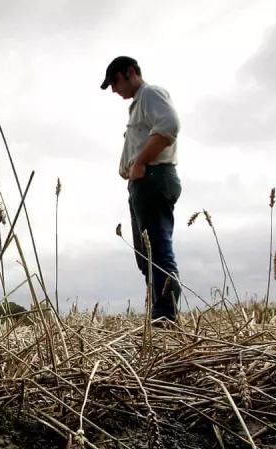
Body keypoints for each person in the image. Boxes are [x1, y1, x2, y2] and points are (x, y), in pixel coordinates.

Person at [101, 56, 183, 324]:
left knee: (157, 251)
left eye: (115, 81)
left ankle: (165, 317)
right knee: (146, 255)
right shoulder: (137, 105)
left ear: (131, 72)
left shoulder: (150, 94)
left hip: (154, 178)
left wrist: (139, 162)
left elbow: (169, 125)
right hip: (143, 182)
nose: (114, 89)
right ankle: (158, 313)